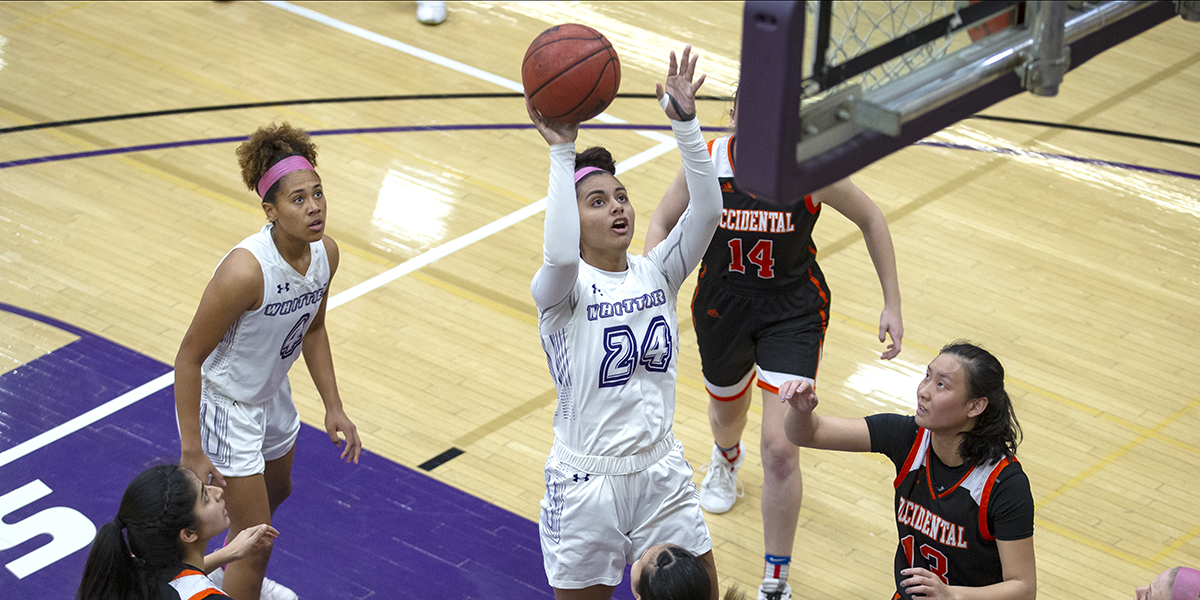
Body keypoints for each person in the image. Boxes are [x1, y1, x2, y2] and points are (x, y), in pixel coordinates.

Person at [643, 90, 904, 600]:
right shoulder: (709, 161)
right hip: (722, 306)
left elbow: (872, 218)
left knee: (782, 448)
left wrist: (891, 302)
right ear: (735, 115)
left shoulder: (810, 169)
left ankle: (775, 579)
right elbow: (660, 219)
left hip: (793, 311)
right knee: (726, 415)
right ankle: (725, 456)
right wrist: (653, 288)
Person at [529, 45, 721, 600]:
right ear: (571, 215)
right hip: (589, 482)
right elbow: (561, 255)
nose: (616, 206)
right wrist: (562, 154)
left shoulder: (657, 272)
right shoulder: (560, 290)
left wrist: (686, 125)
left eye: (620, 196)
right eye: (595, 201)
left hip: (661, 468)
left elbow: (707, 210)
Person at [175, 122, 362, 600]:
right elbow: (189, 356)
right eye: (298, 199)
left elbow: (314, 329)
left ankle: (211, 573)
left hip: (272, 393)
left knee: (277, 493)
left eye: (318, 193)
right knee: (256, 543)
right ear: (270, 211)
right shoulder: (245, 271)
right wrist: (193, 450)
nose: (314, 206)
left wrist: (334, 405)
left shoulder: (326, 255)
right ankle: (220, 579)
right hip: (227, 403)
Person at [781, 341, 1036, 600]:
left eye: (941, 385)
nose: (923, 391)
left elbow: (1024, 589)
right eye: (927, 376)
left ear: (975, 406)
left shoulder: (1005, 484)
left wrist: (952, 596)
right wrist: (800, 410)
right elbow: (810, 434)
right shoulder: (907, 437)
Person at [76, 464, 278, 600]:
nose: (217, 491)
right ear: (188, 534)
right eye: (205, 497)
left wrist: (226, 554)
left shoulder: (130, 566)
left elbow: (172, 581)